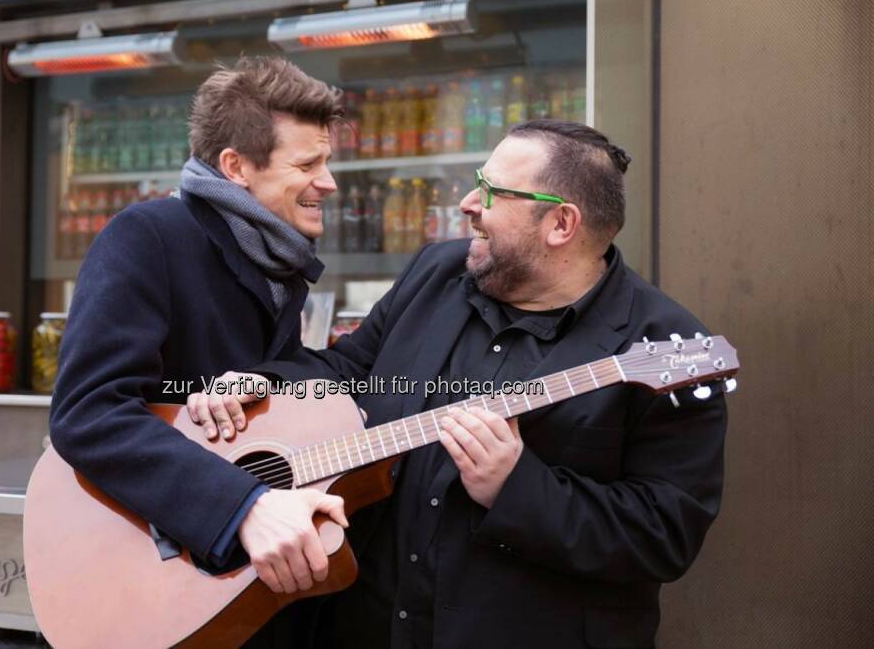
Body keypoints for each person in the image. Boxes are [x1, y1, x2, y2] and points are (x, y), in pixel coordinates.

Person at [188, 120, 728, 648]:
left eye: (491, 191)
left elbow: (664, 535)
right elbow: (353, 372)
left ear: (561, 224)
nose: (468, 202)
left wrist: (515, 487)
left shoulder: (660, 344)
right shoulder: (437, 273)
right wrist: (267, 385)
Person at [49, 56, 350, 646]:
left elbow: (252, 377)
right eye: (308, 164)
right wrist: (244, 506)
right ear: (236, 166)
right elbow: (88, 413)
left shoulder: (273, 257)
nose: (329, 182)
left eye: (328, 161)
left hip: (240, 591)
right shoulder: (147, 235)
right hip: (152, 580)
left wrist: (270, 380)